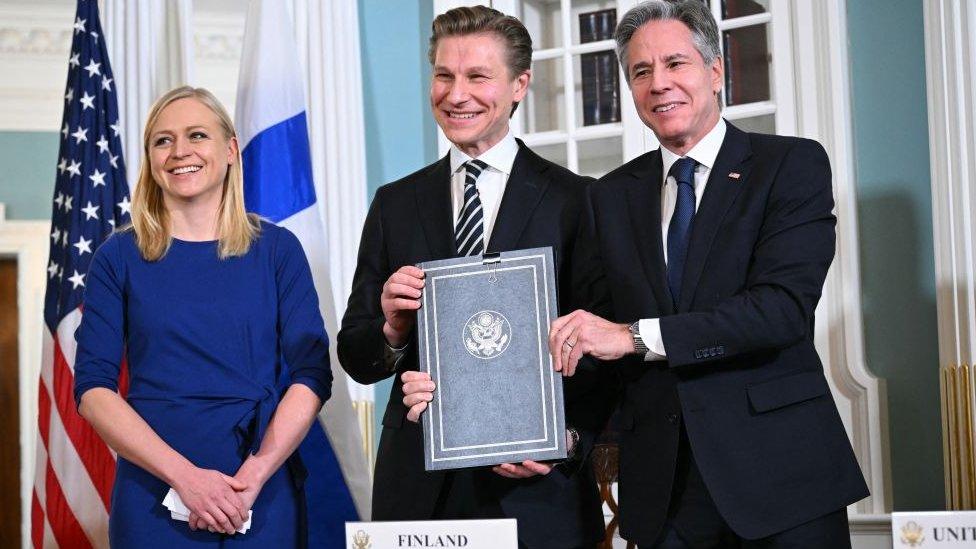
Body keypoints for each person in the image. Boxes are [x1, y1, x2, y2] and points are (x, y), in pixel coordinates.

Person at [547, 1, 869, 547]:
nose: (659, 84)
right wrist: (564, 437)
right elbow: (597, 349)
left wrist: (632, 336)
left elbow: (780, 311)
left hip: (782, 481)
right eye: (641, 72)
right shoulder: (609, 198)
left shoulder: (789, 166)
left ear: (715, 71)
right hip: (663, 494)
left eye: (676, 63)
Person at [337, 6, 614, 549]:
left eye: (477, 76)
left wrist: (567, 440)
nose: (456, 93)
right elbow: (355, 354)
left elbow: (603, 351)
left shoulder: (576, 200)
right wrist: (392, 331)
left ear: (519, 85)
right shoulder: (395, 204)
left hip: (537, 490)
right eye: (444, 75)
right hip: (419, 488)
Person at [74, 86, 332, 547]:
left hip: (259, 490)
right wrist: (187, 480)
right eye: (163, 140)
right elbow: (94, 390)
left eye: (197, 135)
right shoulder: (117, 257)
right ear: (150, 158)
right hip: (153, 492)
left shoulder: (277, 251)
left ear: (230, 149)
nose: (180, 152)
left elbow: (311, 374)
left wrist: (252, 477)